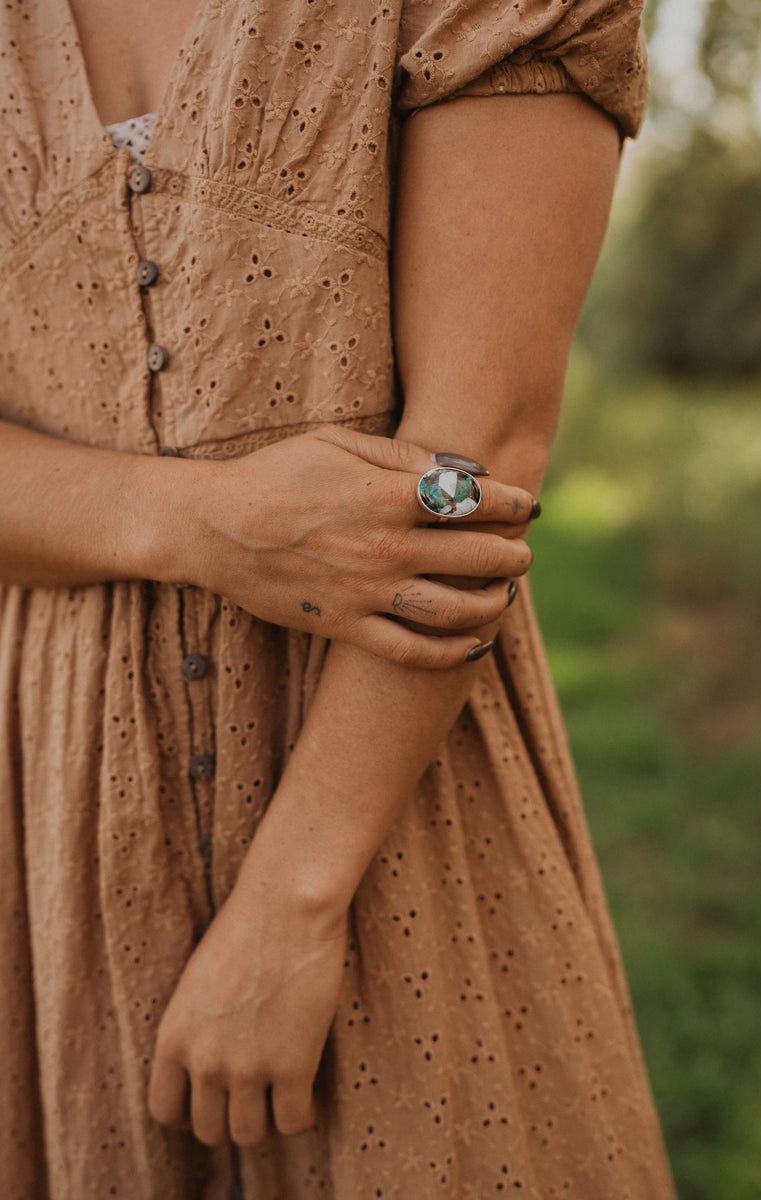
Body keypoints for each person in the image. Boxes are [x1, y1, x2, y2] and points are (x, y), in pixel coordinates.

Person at [0, 0, 677, 1197]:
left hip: (387, 783)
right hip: (53, 793)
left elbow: (477, 461)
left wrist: (293, 905)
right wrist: (203, 522)